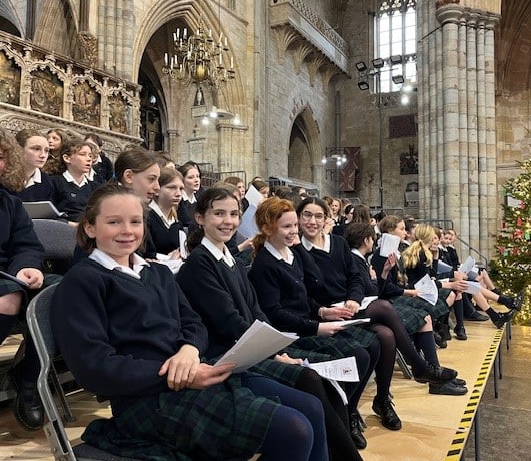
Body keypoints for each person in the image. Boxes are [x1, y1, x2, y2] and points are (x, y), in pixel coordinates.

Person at [51, 184, 328, 461]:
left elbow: (193, 323)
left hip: (195, 370)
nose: (127, 230)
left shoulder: (156, 272)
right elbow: (94, 367)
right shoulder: (83, 281)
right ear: (89, 228)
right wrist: (177, 375)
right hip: (146, 397)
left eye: (135, 221)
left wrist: (189, 350)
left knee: (311, 407)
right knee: (294, 429)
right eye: (114, 222)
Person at [176, 186, 361, 460]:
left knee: (318, 395)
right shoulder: (198, 264)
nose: (228, 221)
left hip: (251, 350)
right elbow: (230, 322)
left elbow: (256, 311)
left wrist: (277, 348)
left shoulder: (232, 262)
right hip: (226, 357)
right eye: (219, 214)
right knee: (308, 390)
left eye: (234, 214)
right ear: (200, 218)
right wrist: (274, 353)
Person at [295, 197, 467, 436]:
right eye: (307, 215)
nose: (312, 221)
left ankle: (380, 400)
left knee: (386, 335)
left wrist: (354, 299)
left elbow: (355, 277)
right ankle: (417, 369)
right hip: (327, 313)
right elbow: (303, 292)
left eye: (318, 216)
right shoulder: (297, 251)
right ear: (299, 218)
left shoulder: (337, 243)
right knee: (384, 309)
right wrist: (325, 309)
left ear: (326, 219)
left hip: (352, 306)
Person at [248, 196, 378, 449]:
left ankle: (342, 413)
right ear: (268, 228)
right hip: (290, 334)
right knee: (356, 356)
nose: (294, 231)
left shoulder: (290, 254)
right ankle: (339, 420)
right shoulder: (264, 264)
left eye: (295, 226)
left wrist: (321, 313)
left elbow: (308, 289)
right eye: (287, 227)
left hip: (306, 323)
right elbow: (275, 313)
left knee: (364, 352)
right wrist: (317, 325)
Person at [0, 128, 59, 431]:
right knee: (8, 297)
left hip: (9, 274)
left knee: (67, 291)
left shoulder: (8, 203)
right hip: (5, 286)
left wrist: (28, 267)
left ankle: (28, 376)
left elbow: (25, 245)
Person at [50, 137, 101, 222]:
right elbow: (49, 213)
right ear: (67, 158)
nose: (89, 159)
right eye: (82, 154)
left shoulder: (96, 187)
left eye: (90, 155)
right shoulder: (53, 182)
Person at [146, 167, 185, 258]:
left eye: (181, 189)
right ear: (157, 189)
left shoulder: (176, 221)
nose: (178, 193)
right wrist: (168, 258)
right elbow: (147, 253)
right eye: (172, 188)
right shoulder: (147, 217)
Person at [14, 129, 54, 202]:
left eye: (46, 150)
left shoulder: (46, 181)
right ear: (19, 149)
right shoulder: (4, 176)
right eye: (36, 149)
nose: (43, 155)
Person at [177, 161, 201, 227]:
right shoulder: (177, 200)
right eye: (191, 177)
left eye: (198, 176)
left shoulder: (199, 200)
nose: (196, 180)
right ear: (182, 180)